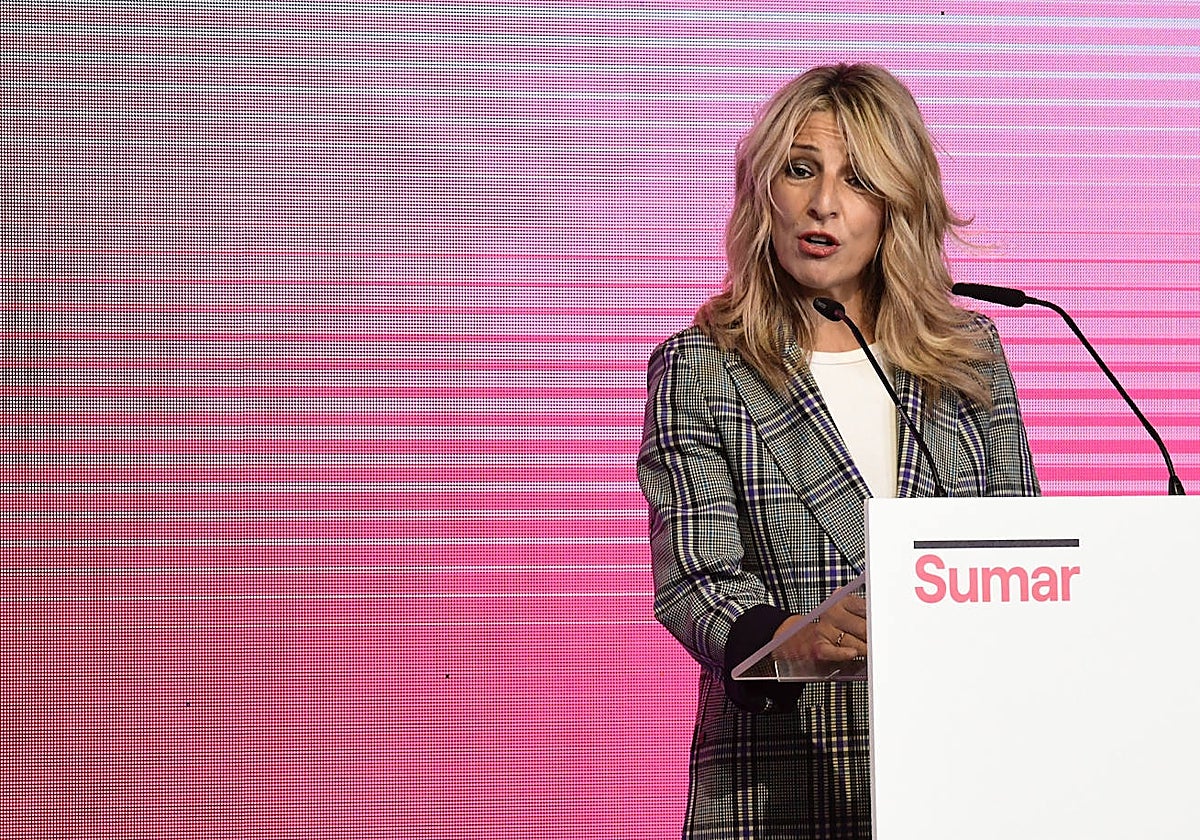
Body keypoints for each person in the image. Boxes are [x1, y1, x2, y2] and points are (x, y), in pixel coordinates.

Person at [636, 63, 1040, 839]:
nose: (823, 202)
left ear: (896, 205)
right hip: (784, 784)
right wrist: (791, 643)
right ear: (764, 192)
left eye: (857, 179)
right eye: (801, 170)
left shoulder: (970, 357)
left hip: (960, 779)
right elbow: (695, 582)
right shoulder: (703, 368)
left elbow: (1023, 557)